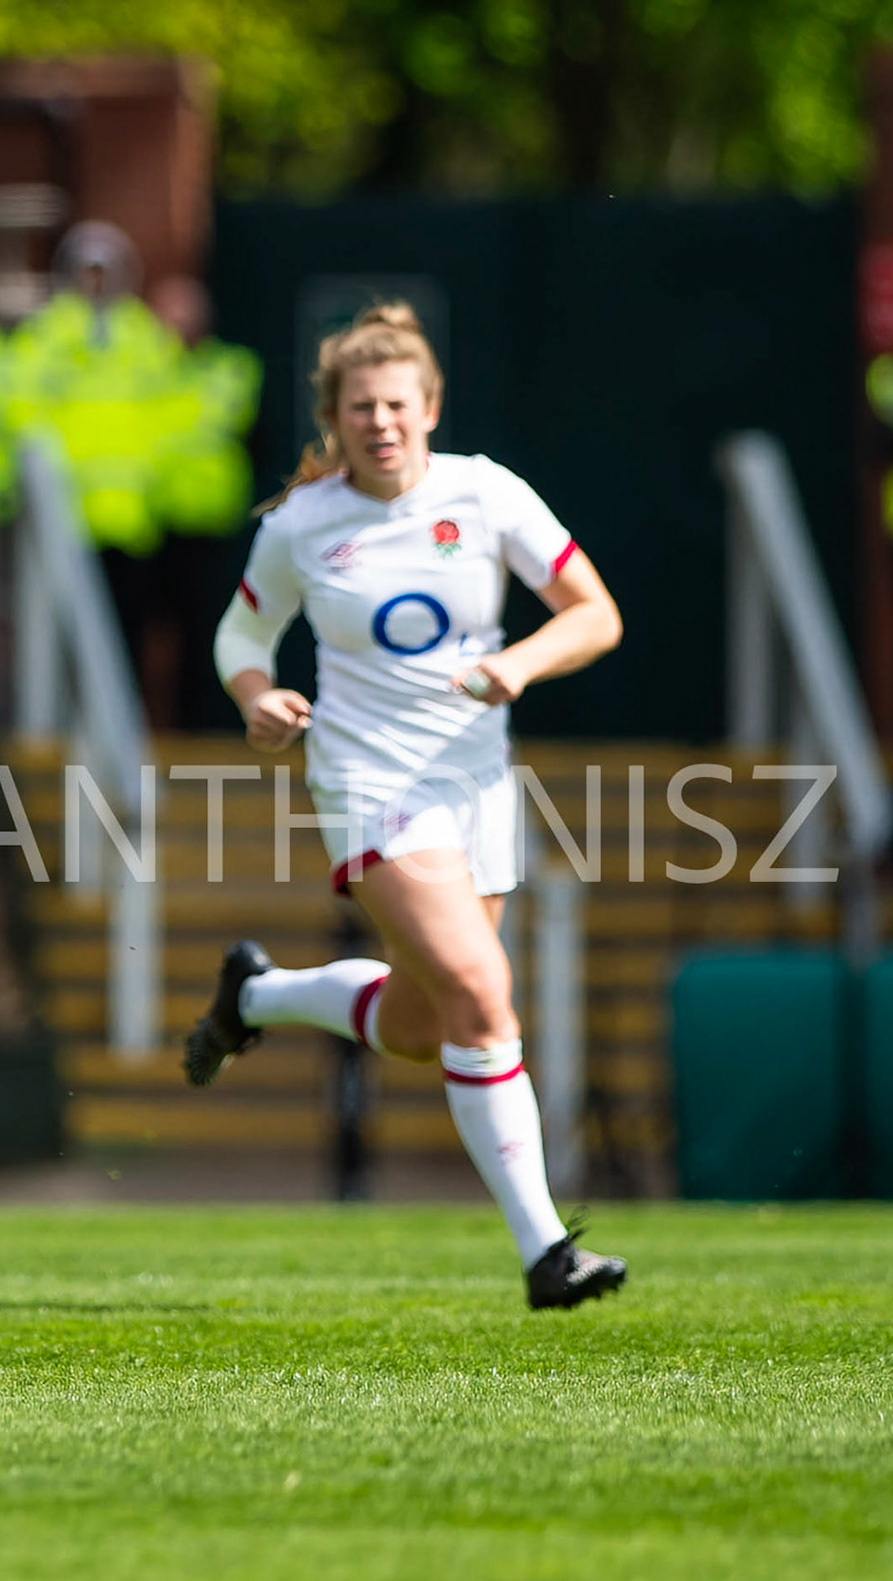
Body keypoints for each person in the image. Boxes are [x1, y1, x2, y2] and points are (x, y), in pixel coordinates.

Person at [184, 302, 628, 1311]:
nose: (379, 422)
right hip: (369, 786)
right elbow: (239, 641)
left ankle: (253, 997)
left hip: (476, 786)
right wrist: (257, 699)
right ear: (334, 420)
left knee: (431, 1023)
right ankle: (547, 1251)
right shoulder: (301, 526)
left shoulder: (485, 493)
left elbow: (594, 614)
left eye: (395, 403)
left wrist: (518, 664)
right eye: (358, 407)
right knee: (480, 990)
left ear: (429, 406)